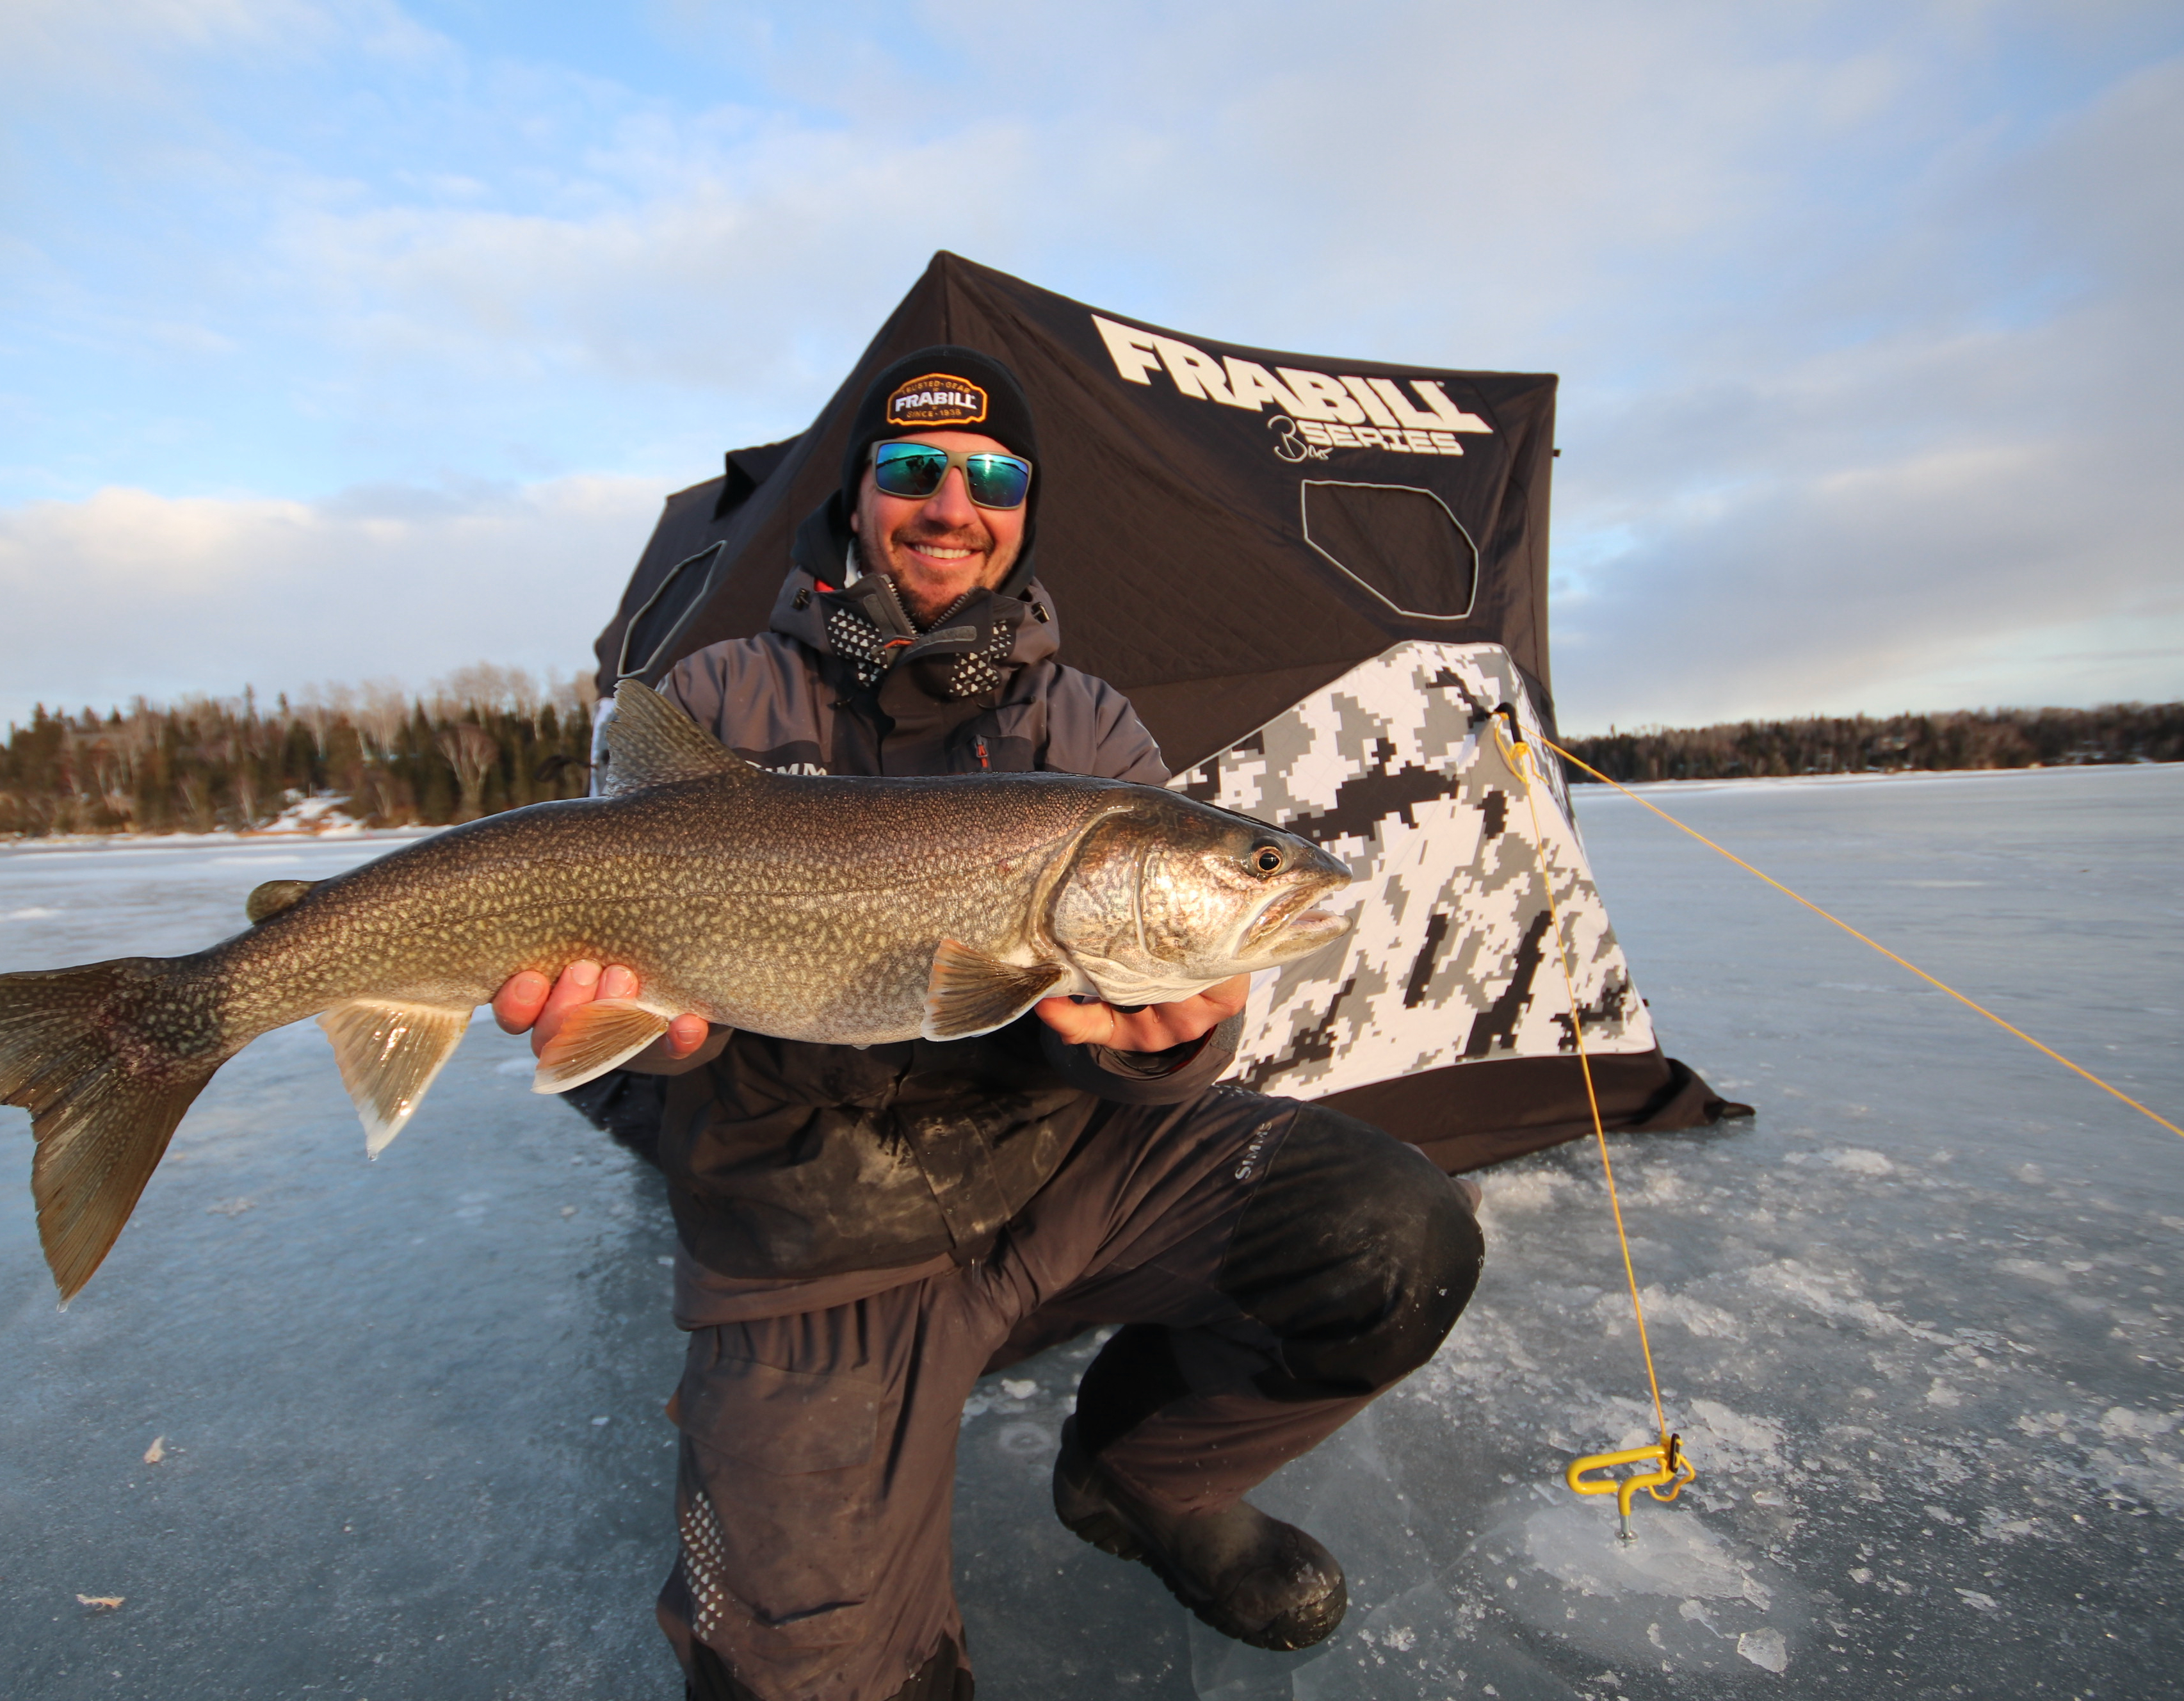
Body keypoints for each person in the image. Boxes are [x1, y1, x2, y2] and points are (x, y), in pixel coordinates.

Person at [494, 348, 1484, 1701]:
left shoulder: (1084, 726)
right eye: (911, 469)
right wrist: (661, 1051)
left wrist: (1172, 1042)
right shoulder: (716, 697)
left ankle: (1145, 1476)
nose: (951, 504)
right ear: (856, 498)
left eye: (992, 477)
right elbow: (609, 1070)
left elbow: (1160, 1034)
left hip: (1060, 1179)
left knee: (1393, 1231)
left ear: (1022, 508)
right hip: (805, 1237)